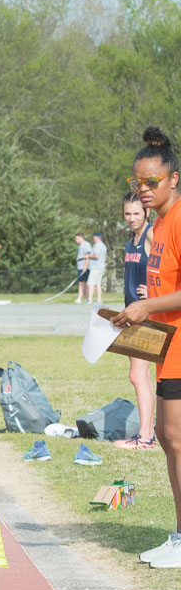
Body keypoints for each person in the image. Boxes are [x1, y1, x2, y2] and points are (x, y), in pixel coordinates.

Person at [112, 127, 181, 568]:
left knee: (176, 440)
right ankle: (178, 535)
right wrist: (133, 318)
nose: (143, 190)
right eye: (137, 183)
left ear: (173, 178)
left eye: (151, 182)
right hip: (166, 348)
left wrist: (146, 306)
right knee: (168, 440)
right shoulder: (157, 224)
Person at [116, 192, 157, 451]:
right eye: (127, 214)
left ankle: (145, 438)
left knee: (137, 375)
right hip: (132, 314)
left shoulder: (151, 235)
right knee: (143, 376)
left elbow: (169, 269)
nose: (132, 218)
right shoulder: (131, 241)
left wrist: (154, 295)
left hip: (147, 314)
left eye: (137, 213)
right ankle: (150, 431)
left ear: (147, 213)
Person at [88, 231, 108, 304]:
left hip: (96, 267)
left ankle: (89, 299)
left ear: (95, 237)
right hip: (101, 266)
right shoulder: (103, 245)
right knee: (98, 284)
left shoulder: (97, 245)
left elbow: (96, 256)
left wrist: (88, 256)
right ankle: (99, 299)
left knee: (91, 283)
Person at [74, 233, 92, 303]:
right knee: (82, 283)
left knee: (82, 283)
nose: (76, 240)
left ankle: (80, 298)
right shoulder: (81, 245)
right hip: (80, 266)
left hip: (84, 267)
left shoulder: (86, 245)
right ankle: (85, 298)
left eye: (76, 238)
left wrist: (85, 267)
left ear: (81, 237)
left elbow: (87, 256)